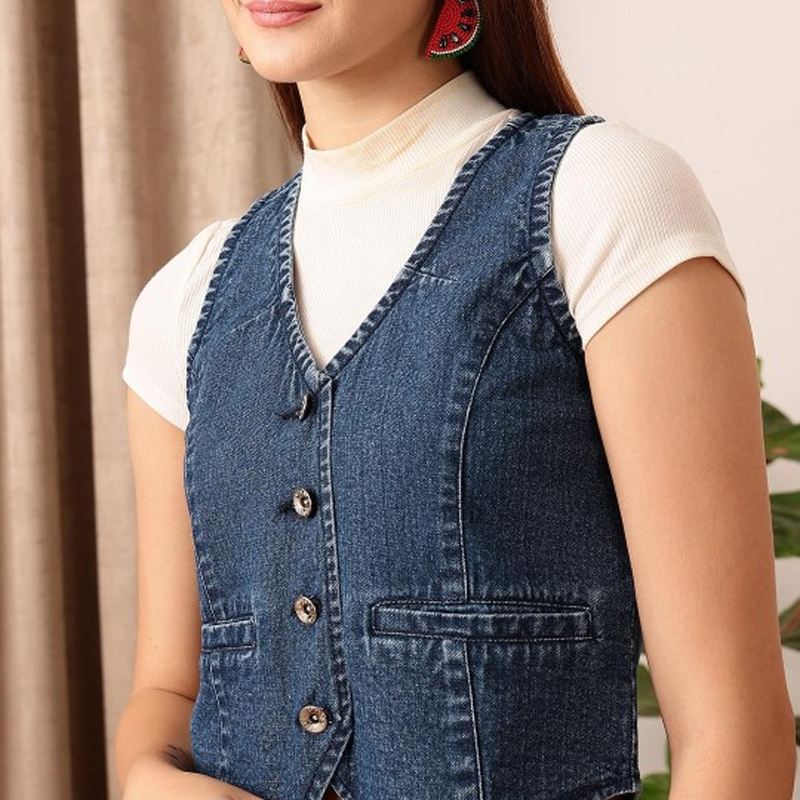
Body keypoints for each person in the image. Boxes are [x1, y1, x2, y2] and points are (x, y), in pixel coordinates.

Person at [114, 1, 797, 798]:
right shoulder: (186, 300)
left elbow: (734, 734)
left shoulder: (601, 200)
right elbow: (169, 691)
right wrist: (145, 778)